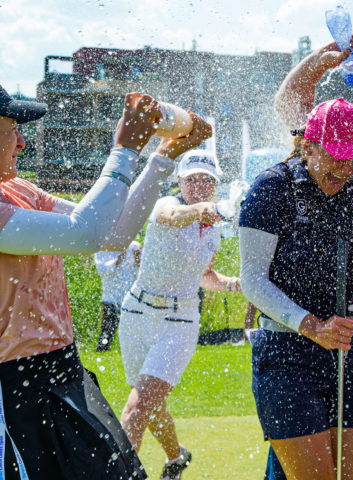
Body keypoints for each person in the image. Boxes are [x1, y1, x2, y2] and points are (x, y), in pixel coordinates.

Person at [0, 86, 210, 479]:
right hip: (13, 392)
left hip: (62, 371)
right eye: (13, 128)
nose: (23, 141)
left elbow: (114, 233)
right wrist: (125, 149)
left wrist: (161, 160)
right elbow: (86, 233)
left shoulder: (18, 189)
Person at [240, 36, 353, 480]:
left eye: (352, 161)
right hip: (287, 350)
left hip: (349, 347)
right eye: (335, 160)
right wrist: (311, 326)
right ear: (306, 145)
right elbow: (252, 280)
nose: (344, 171)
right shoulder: (270, 188)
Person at [118, 150, 241, 480]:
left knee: (138, 405)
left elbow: (202, 275)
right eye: (192, 179)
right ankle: (177, 457)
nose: (199, 186)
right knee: (150, 403)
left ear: (215, 184)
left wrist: (233, 285)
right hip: (136, 314)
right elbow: (173, 217)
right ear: (179, 181)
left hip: (180, 322)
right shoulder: (163, 205)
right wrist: (200, 210)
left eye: (207, 181)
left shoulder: (213, 230)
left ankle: (117, 472)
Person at [94, 240, 142, 351]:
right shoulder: (103, 248)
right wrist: (119, 258)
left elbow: (143, 272)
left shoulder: (133, 246)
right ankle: (102, 352)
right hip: (111, 298)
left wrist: (138, 259)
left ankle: (131, 352)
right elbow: (102, 270)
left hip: (130, 298)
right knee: (106, 333)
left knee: (133, 334)